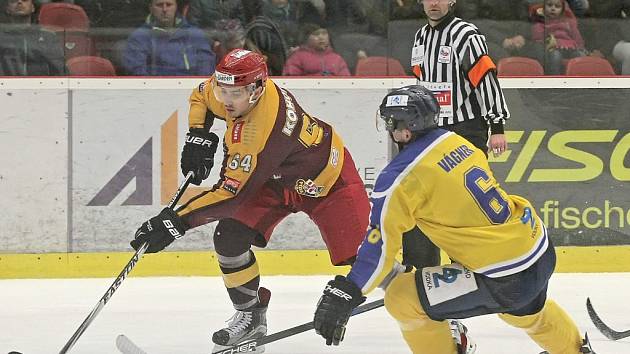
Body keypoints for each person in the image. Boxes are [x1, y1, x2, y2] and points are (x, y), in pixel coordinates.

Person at [313, 85, 596, 354]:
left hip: (505, 276)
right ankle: (574, 349)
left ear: (405, 131)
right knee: (526, 314)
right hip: (537, 250)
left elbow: (379, 249)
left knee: (402, 299)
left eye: (391, 124)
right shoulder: (456, 141)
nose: (389, 130)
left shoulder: (399, 178)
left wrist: (348, 291)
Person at [129, 49, 371, 352]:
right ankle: (250, 317)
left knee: (366, 259)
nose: (227, 101)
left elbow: (230, 196)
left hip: (326, 180)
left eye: (236, 94)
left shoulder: (262, 129)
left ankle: (436, 305)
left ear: (257, 89)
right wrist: (198, 134)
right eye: (223, 90)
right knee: (229, 238)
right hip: (271, 180)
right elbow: (202, 97)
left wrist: (175, 221)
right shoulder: (233, 90)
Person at [122, 0, 216, 76]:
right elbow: (138, 72)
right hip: (156, 92)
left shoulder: (194, 34)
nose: (164, 9)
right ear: (150, 8)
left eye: (169, 4)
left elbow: (206, 65)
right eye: (159, 5)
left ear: (176, 7)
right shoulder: (139, 36)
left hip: (192, 90)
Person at [0, 0, 65, 76]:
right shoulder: (1, 37)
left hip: (42, 86)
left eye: (25, 0)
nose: (19, 2)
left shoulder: (48, 37)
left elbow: (60, 70)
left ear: (33, 7)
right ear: (7, 9)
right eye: (14, 0)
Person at [531, 0, 588, 75]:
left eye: (557, 6)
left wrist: (581, 48)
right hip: (552, 48)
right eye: (549, 5)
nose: (553, 8)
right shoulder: (542, 23)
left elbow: (576, 36)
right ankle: (554, 80)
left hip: (570, 48)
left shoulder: (568, 22)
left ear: (562, 10)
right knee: (555, 56)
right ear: (544, 7)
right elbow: (538, 38)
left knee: (580, 56)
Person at [282, 23, 351, 76]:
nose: (321, 37)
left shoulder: (337, 58)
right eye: (316, 34)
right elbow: (290, 80)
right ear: (306, 38)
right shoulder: (297, 57)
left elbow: (346, 80)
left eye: (324, 33)